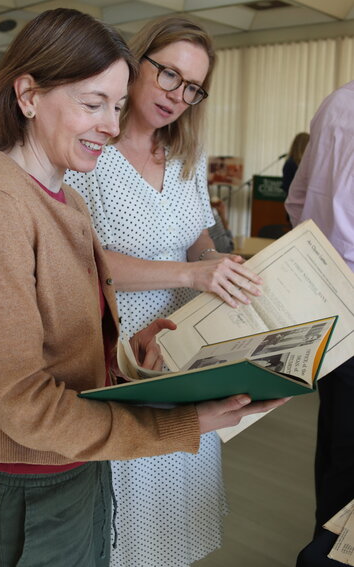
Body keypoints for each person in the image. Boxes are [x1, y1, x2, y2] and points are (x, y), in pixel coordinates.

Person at [0, 9, 289, 567]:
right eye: (93, 103)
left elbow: (70, 320)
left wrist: (123, 355)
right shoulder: (3, 200)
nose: (111, 124)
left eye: (115, 107)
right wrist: (177, 420)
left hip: (79, 456)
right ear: (27, 96)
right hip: (30, 473)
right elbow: (23, 401)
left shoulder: (62, 198)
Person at [65, 15, 266, 567]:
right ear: (136, 62)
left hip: (186, 357)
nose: (180, 97)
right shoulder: (88, 150)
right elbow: (82, 262)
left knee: (175, 513)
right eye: (170, 76)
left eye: (194, 88)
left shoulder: (185, 155)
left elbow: (195, 236)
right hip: (123, 355)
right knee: (125, 523)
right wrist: (190, 274)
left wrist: (217, 261)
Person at [285, 81, 354, 566]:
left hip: (328, 301)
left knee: (337, 445)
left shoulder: (337, 101)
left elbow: (297, 203)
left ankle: (323, 550)